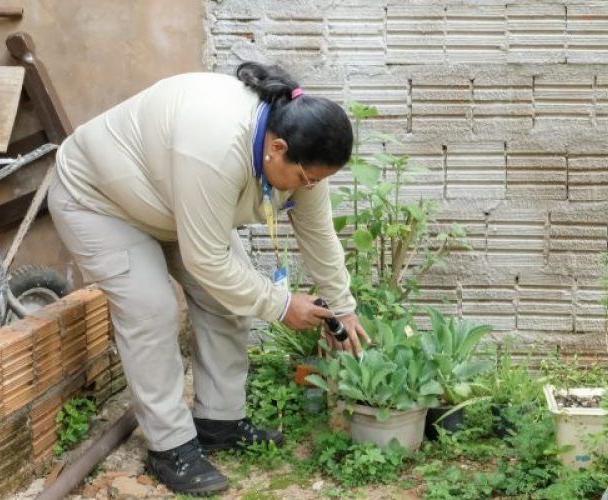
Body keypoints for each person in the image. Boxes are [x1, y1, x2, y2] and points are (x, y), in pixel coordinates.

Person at [47, 62, 371, 495]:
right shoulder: (215, 146)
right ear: (277, 148)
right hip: (100, 202)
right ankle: (170, 447)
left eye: (317, 181)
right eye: (305, 179)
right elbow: (208, 261)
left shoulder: (304, 156)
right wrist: (280, 305)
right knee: (152, 310)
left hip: (169, 203)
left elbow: (319, 235)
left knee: (227, 299)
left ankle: (220, 422)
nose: (309, 187)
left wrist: (343, 307)